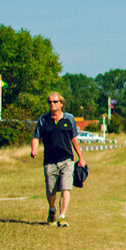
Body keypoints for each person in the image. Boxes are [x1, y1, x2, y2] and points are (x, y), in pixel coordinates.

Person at [33, 91, 87, 227]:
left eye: (55, 102)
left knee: (66, 188)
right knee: (51, 191)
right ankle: (52, 209)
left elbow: (74, 139)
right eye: (50, 102)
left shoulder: (69, 119)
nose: (52, 104)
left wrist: (81, 157)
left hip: (67, 160)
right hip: (50, 161)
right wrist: (34, 149)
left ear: (61, 104)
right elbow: (36, 137)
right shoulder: (43, 120)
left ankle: (62, 217)